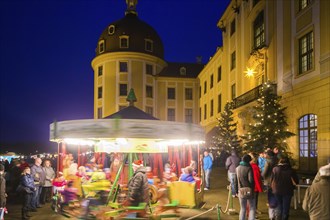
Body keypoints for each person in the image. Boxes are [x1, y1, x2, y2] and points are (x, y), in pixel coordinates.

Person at [236, 154, 255, 220]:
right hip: (249, 189)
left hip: (240, 190)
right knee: (252, 207)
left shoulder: (237, 168)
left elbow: (236, 180)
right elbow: (251, 180)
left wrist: (236, 190)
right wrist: (252, 188)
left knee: (243, 208)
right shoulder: (249, 168)